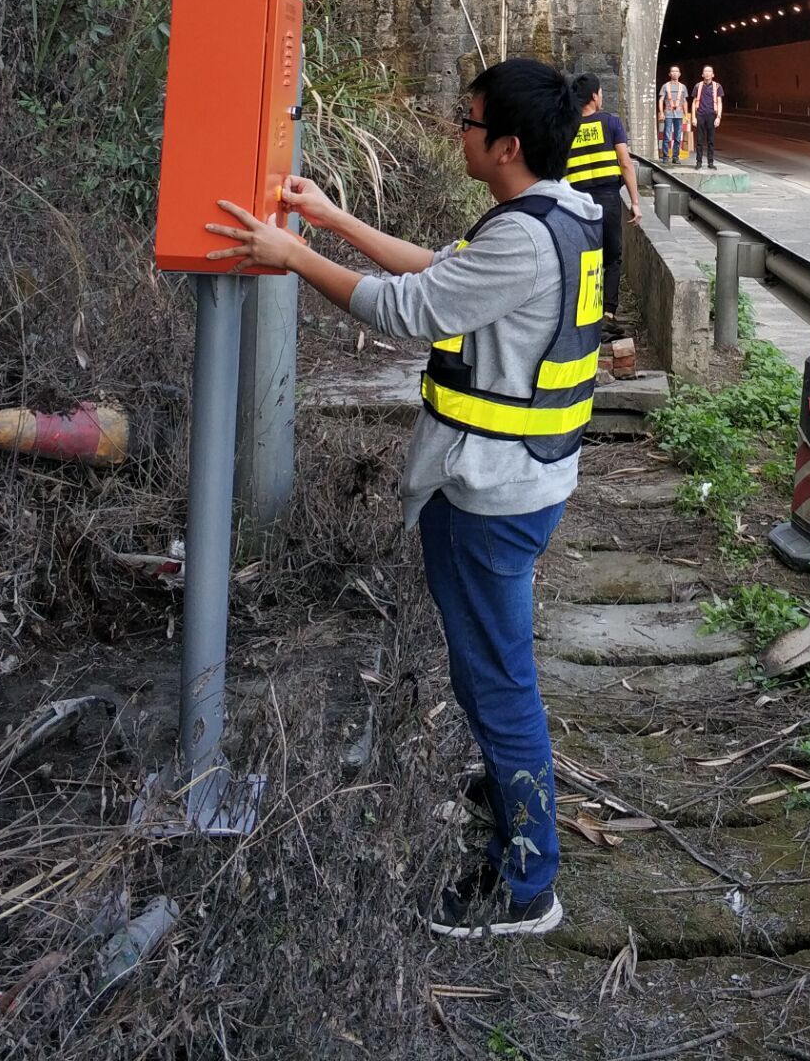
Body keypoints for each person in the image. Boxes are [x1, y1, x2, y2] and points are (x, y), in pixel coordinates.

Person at [205, 58, 604, 940]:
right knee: (491, 674)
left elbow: (407, 309)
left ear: (504, 146)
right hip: (524, 482)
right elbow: (439, 273)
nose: (456, 131)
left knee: (500, 686)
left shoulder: (525, 237)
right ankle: (511, 802)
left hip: (491, 495)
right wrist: (329, 218)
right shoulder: (560, 215)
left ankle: (528, 884)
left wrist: (292, 255)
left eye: (467, 122)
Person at [564, 75, 642, 335]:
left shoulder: (567, 126)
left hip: (575, 201)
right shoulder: (610, 123)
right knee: (611, 257)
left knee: (582, 257)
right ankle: (607, 314)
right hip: (607, 198)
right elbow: (625, 163)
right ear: (595, 97)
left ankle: (580, 315)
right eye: (600, 93)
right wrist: (635, 201)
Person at [690, 64, 724, 170]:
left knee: (711, 140)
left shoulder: (717, 86)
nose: (707, 73)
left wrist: (718, 117)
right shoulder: (697, 86)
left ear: (713, 74)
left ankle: (710, 162)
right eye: (705, 71)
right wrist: (693, 117)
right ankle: (699, 162)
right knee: (699, 140)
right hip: (700, 114)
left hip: (712, 115)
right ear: (702, 74)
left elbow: (719, 102)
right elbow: (694, 101)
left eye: (709, 71)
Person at [657, 65, 689, 164]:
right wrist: (661, 113)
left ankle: (676, 157)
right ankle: (666, 156)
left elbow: (684, 101)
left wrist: (686, 114)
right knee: (667, 135)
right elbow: (661, 99)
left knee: (678, 137)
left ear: (679, 74)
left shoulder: (682, 87)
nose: (675, 73)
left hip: (679, 114)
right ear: (670, 74)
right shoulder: (665, 86)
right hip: (668, 113)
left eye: (677, 71)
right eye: (673, 71)